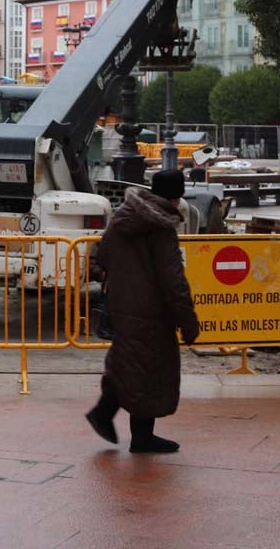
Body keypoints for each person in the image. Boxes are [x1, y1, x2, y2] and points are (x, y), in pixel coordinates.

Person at [86, 168, 200, 453]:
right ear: (176, 198)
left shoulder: (123, 216)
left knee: (127, 364)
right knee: (150, 369)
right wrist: (188, 322)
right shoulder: (161, 228)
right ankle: (140, 436)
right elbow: (173, 281)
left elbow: (102, 257)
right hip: (152, 314)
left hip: (122, 306)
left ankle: (104, 414)